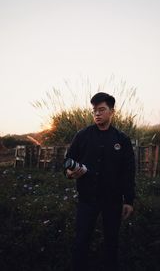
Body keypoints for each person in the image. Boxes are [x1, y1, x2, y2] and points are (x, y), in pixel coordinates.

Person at [64, 92, 136, 271]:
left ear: (112, 111)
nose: (97, 113)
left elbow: (128, 172)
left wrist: (128, 200)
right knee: (81, 241)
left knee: (112, 241)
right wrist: (70, 173)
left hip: (113, 201)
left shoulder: (122, 140)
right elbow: (67, 162)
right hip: (87, 199)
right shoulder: (82, 136)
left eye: (102, 109)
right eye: (94, 110)